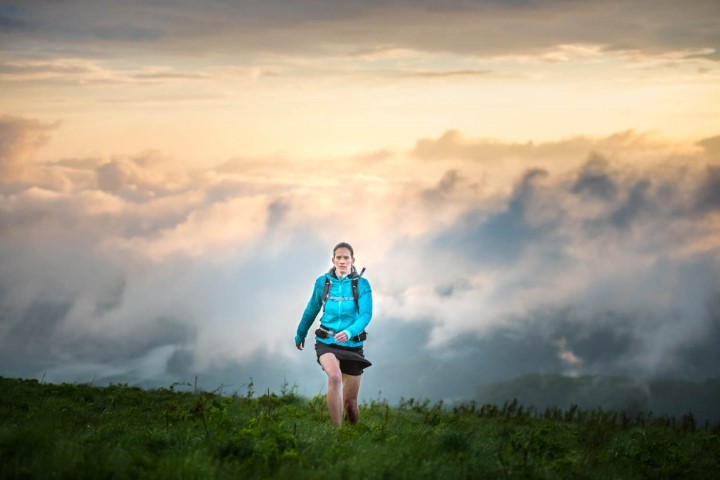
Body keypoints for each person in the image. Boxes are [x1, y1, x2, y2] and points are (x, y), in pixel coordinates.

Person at [295, 242, 373, 427]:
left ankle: (352, 434)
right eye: (339, 257)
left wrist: (349, 332)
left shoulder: (361, 284)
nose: (342, 261)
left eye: (346, 258)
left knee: (350, 405)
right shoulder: (323, 283)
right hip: (326, 342)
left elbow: (366, 314)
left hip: (353, 345)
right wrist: (301, 333)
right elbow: (311, 309)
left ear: (352, 260)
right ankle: (335, 434)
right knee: (335, 377)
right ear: (333, 260)